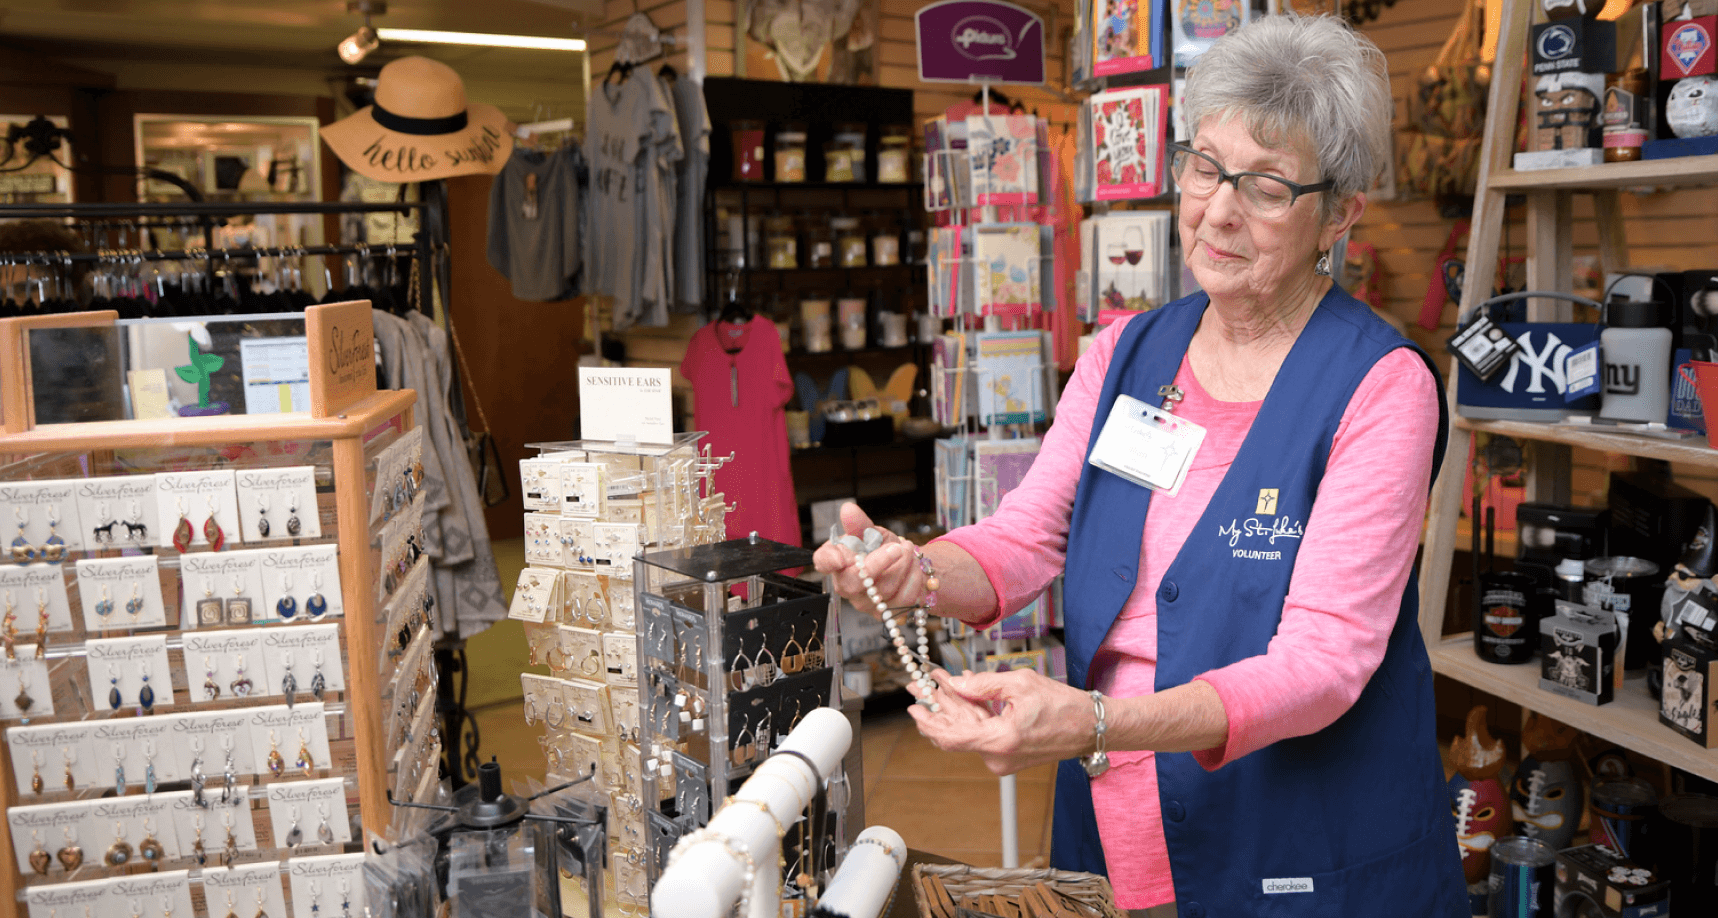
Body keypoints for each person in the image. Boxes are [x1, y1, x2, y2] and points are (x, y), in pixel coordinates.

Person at [814, 14, 1466, 918]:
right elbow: (1028, 535)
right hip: (1116, 824)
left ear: (1341, 212)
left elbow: (1323, 663)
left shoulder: (1381, 387)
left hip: (1297, 841)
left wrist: (1093, 722)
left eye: (1268, 187)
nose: (1219, 210)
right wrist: (917, 569)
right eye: (1205, 167)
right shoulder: (1125, 351)